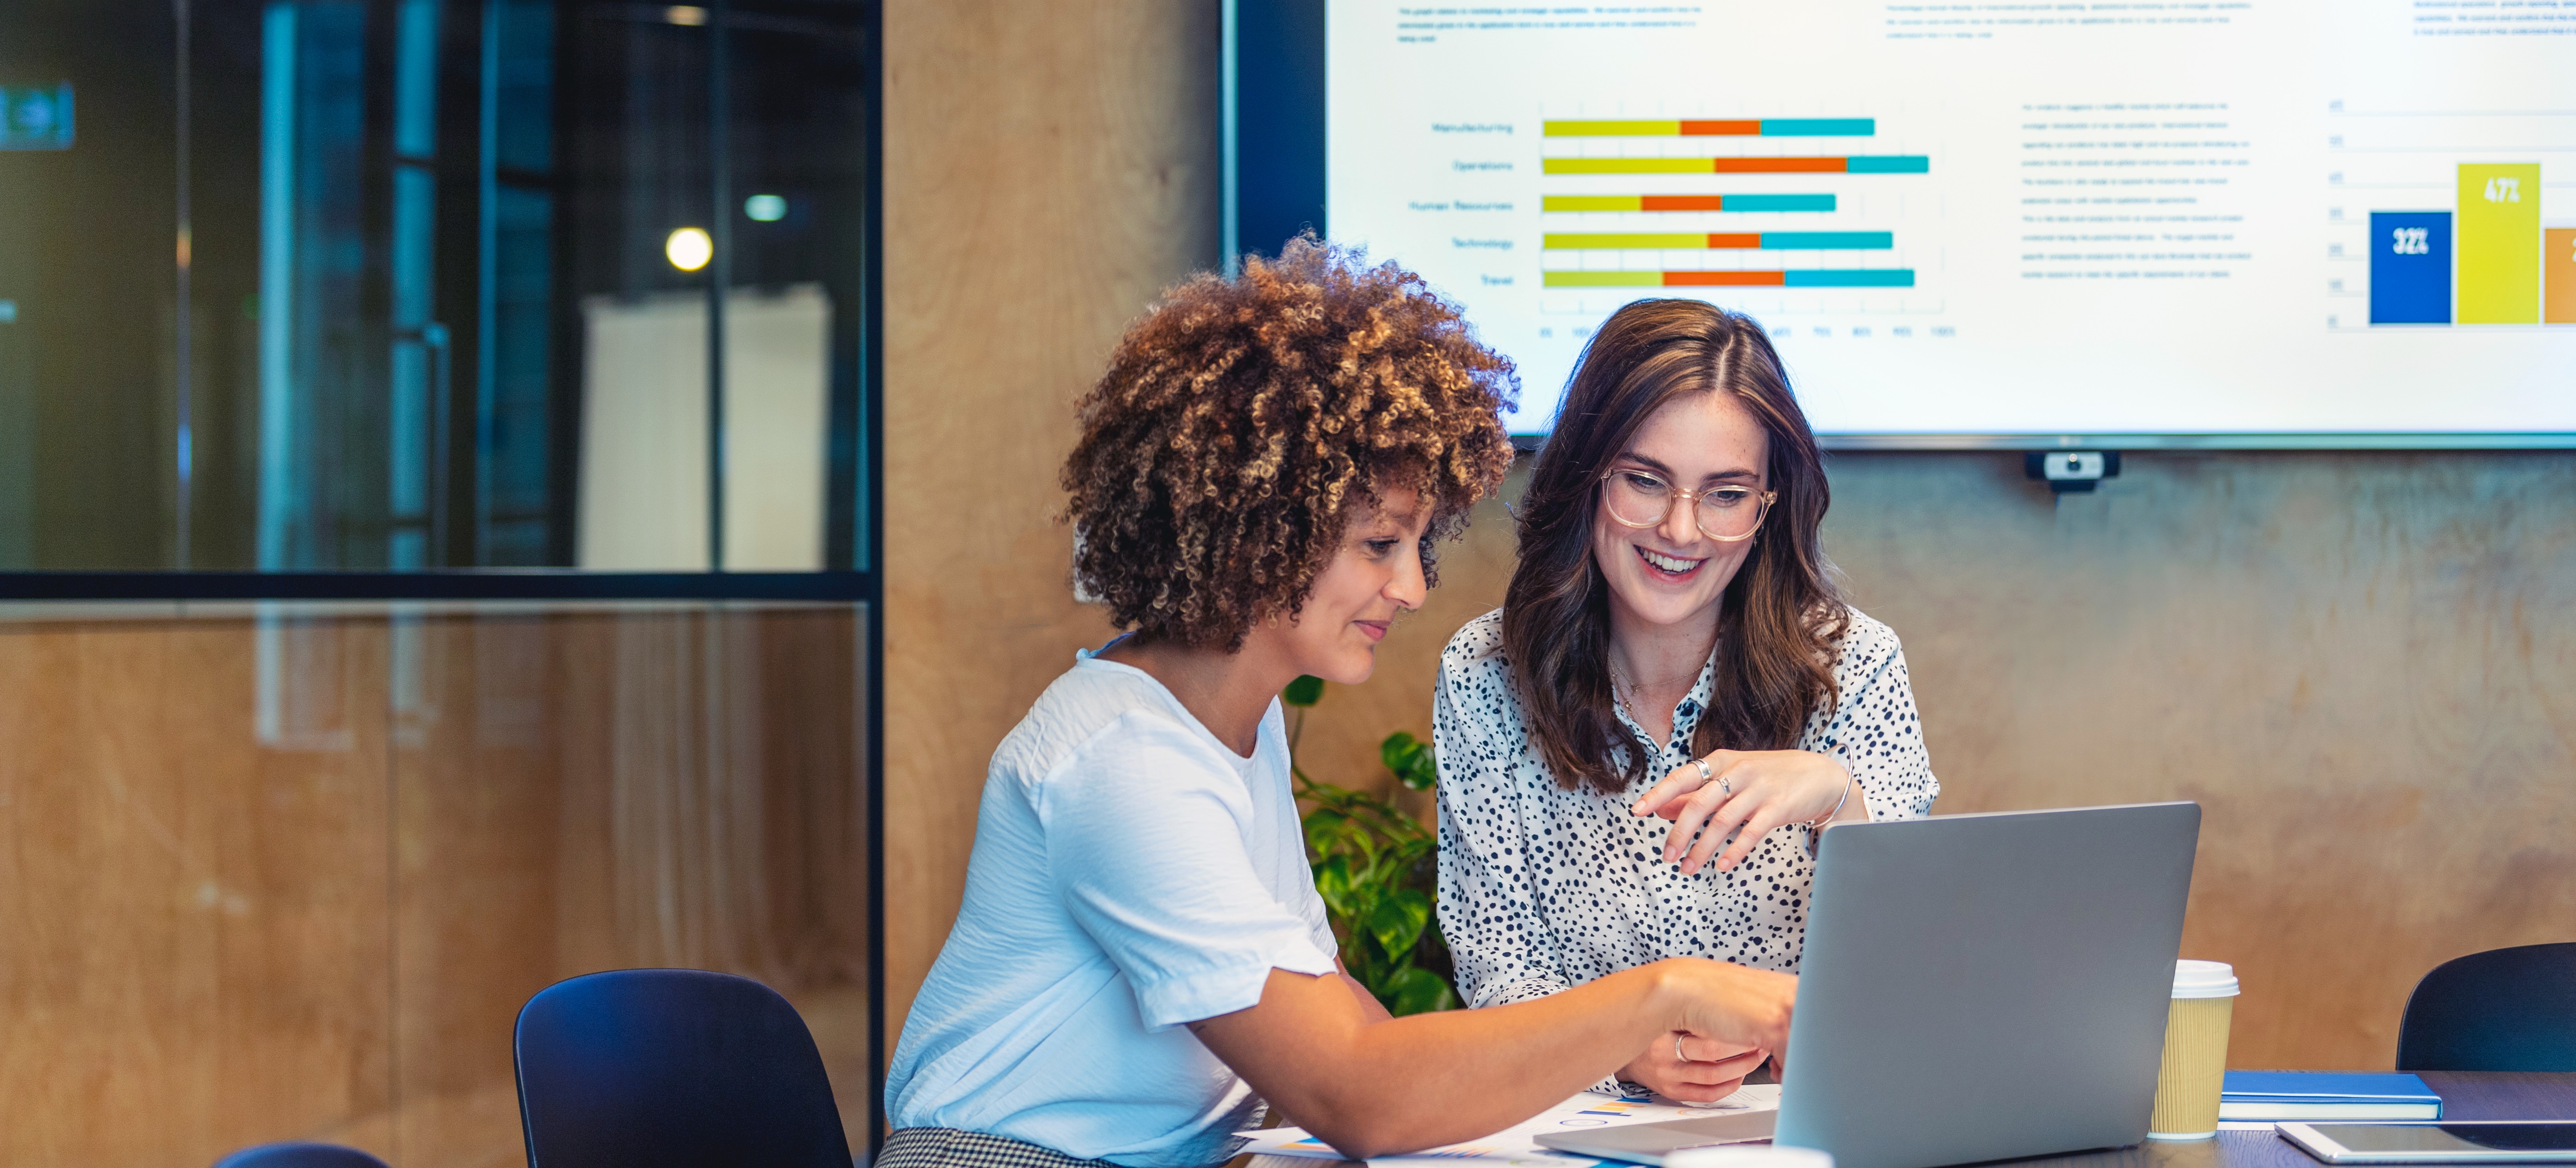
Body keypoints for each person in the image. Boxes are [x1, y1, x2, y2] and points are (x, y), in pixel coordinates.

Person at [882, 245, 1802, 1168]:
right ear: (1258, 528)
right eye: (1378, 545)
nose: (1411, 588)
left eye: (1415, 546)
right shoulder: (1125, 762)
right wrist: (1666, 994)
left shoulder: (1235, 722)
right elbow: (1353, 1089)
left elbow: (1347, 1022)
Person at [1434, 298, 1939, 1105]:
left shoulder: (1856, 664)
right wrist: (1621, 1050)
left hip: (1797, 1128)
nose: (1680, 530)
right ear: (1587, 477)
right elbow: (1498, 964)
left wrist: (1839, 798)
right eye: (1645, 481)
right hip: (1576, 1127)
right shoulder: (1485, 673)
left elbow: (1915, 964)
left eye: (1726, 494)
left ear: (1769, 507)